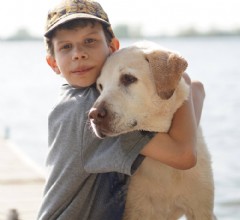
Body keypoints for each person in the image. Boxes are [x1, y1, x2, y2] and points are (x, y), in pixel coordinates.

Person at [37, 0, 205, 219]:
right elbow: (183, 155)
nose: (78, 53)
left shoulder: (85, 97)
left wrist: (183, 83)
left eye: (90, 41)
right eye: (66, 47)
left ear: (113, 48)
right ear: (53, 63)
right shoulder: (90, 111)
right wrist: (182, 83)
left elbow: (196, 93)